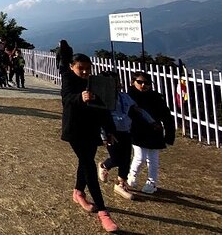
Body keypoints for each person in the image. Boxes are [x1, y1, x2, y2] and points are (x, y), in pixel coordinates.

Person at [61, 53, 119, 233]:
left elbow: (104, 108)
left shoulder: (96, 81)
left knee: (85, 161)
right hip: (75, 130)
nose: (85, 72)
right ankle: (103, 212)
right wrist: (80, 97)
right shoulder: (68, 79)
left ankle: (78, 192)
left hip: (92, 130)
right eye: (81, 68)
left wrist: (110, 130)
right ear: (72, 66)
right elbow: (67, 98)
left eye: (88, 68)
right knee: (88, 164)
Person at [97, 71, 157, 200]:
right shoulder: (102, 99)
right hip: (112, 132)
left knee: (125, 159)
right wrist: (104, 135)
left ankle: (121, 184)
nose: (116, 84)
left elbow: (137, 110)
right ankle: (104, 165)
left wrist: (151, 121)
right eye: (112, 82)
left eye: (117, 81)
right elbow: (100, 119)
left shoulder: (124, 97)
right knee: (116, 158)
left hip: (126, 131)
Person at [127, 71, 175, 194]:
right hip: (136, 130)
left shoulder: (157, 98)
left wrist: (169, 135)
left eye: (147, 83)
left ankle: (151, 182)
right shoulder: (129, 97)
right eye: (140, 82)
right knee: (140, 156)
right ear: (133, 82)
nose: (143, 85)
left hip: (154, 131)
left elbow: (167, 116)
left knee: (153, 159)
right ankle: (132, 176)